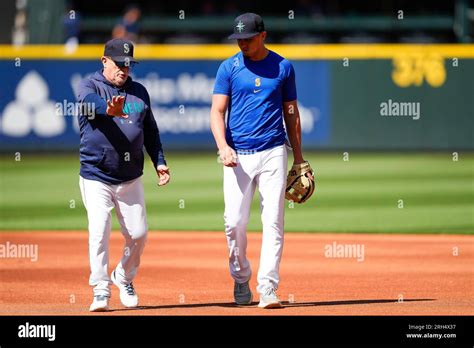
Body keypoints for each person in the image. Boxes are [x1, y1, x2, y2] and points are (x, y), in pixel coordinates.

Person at [210, 13, 311, 309]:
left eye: (248, 38)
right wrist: (223, 146)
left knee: (273, 221)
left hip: (273, 151)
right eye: (238, 39)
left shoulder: (283, 67)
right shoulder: (228, 67)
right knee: (234, 222)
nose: (242, 43)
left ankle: (267, 287)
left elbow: (291, 112)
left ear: (263, 36)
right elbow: (217, 112)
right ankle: (241, 276)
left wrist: (299, 158)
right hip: (237, 154)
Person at [77, 38, 170, 312]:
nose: (124, 70)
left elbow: (150, 131)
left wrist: (160, 162)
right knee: (99, 230)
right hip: (96, 175)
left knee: (139, 234)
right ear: (104, 61)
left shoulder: (139, 92)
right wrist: (108, 108)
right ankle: (101, 290)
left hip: (130, 177)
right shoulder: (88, 86)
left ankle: (124, 277)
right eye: (119, 64)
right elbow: (89, 103)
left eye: (128, 65)